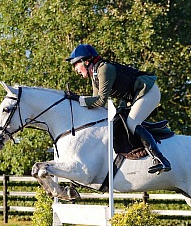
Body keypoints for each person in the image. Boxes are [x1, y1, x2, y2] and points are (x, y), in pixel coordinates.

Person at [64, 43, 171, 174]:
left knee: (132, 122)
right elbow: (97, 103)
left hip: (148, 91)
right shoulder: (95, 75)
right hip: (135, 96)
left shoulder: (104, 69)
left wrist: (78, 99)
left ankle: (160, 159)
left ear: (86, 61)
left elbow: (100, 100)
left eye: (76, 64)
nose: (75, 69)